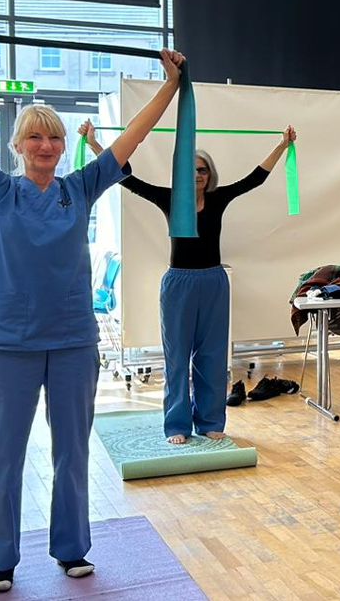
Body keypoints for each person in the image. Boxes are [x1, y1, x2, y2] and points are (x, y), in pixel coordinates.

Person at [0, 19, 184, 592]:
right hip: (6, 345)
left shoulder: (80, 188)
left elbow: (133, 135)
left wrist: (171, 85)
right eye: (35, 137)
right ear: (17, 145)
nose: (46, 145)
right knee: (1, 456)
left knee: (72, 453)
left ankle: (71, 548)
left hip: (74, 342)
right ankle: (0, 559)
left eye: (53, 137)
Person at [82, 122, 296, 444]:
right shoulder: (170, 199)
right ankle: (177, 425)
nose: (198, 175)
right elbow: (126, 178)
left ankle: (209, 420)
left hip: (213, 282)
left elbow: (255, 178)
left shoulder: (219, 199)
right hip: (178, 285)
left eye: (203, 171)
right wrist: (94, 145)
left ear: (209, 176)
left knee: (211, 356)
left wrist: (282, 145)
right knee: (177, 357)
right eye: (193, 169)